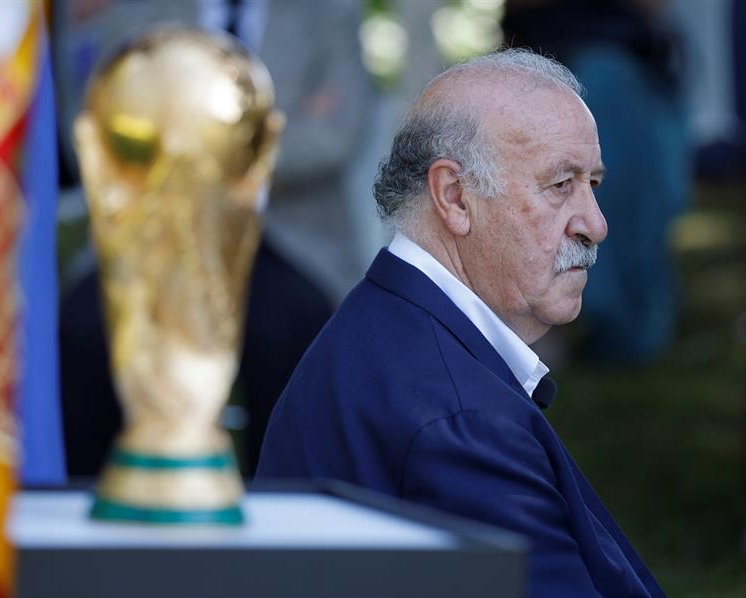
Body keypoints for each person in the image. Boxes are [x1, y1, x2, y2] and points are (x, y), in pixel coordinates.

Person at [256, 49, 665, 597]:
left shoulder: (391, 328)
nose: (596, 224)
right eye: (560, 185)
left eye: (593, 183)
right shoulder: (460, 419)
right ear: (454, 197)